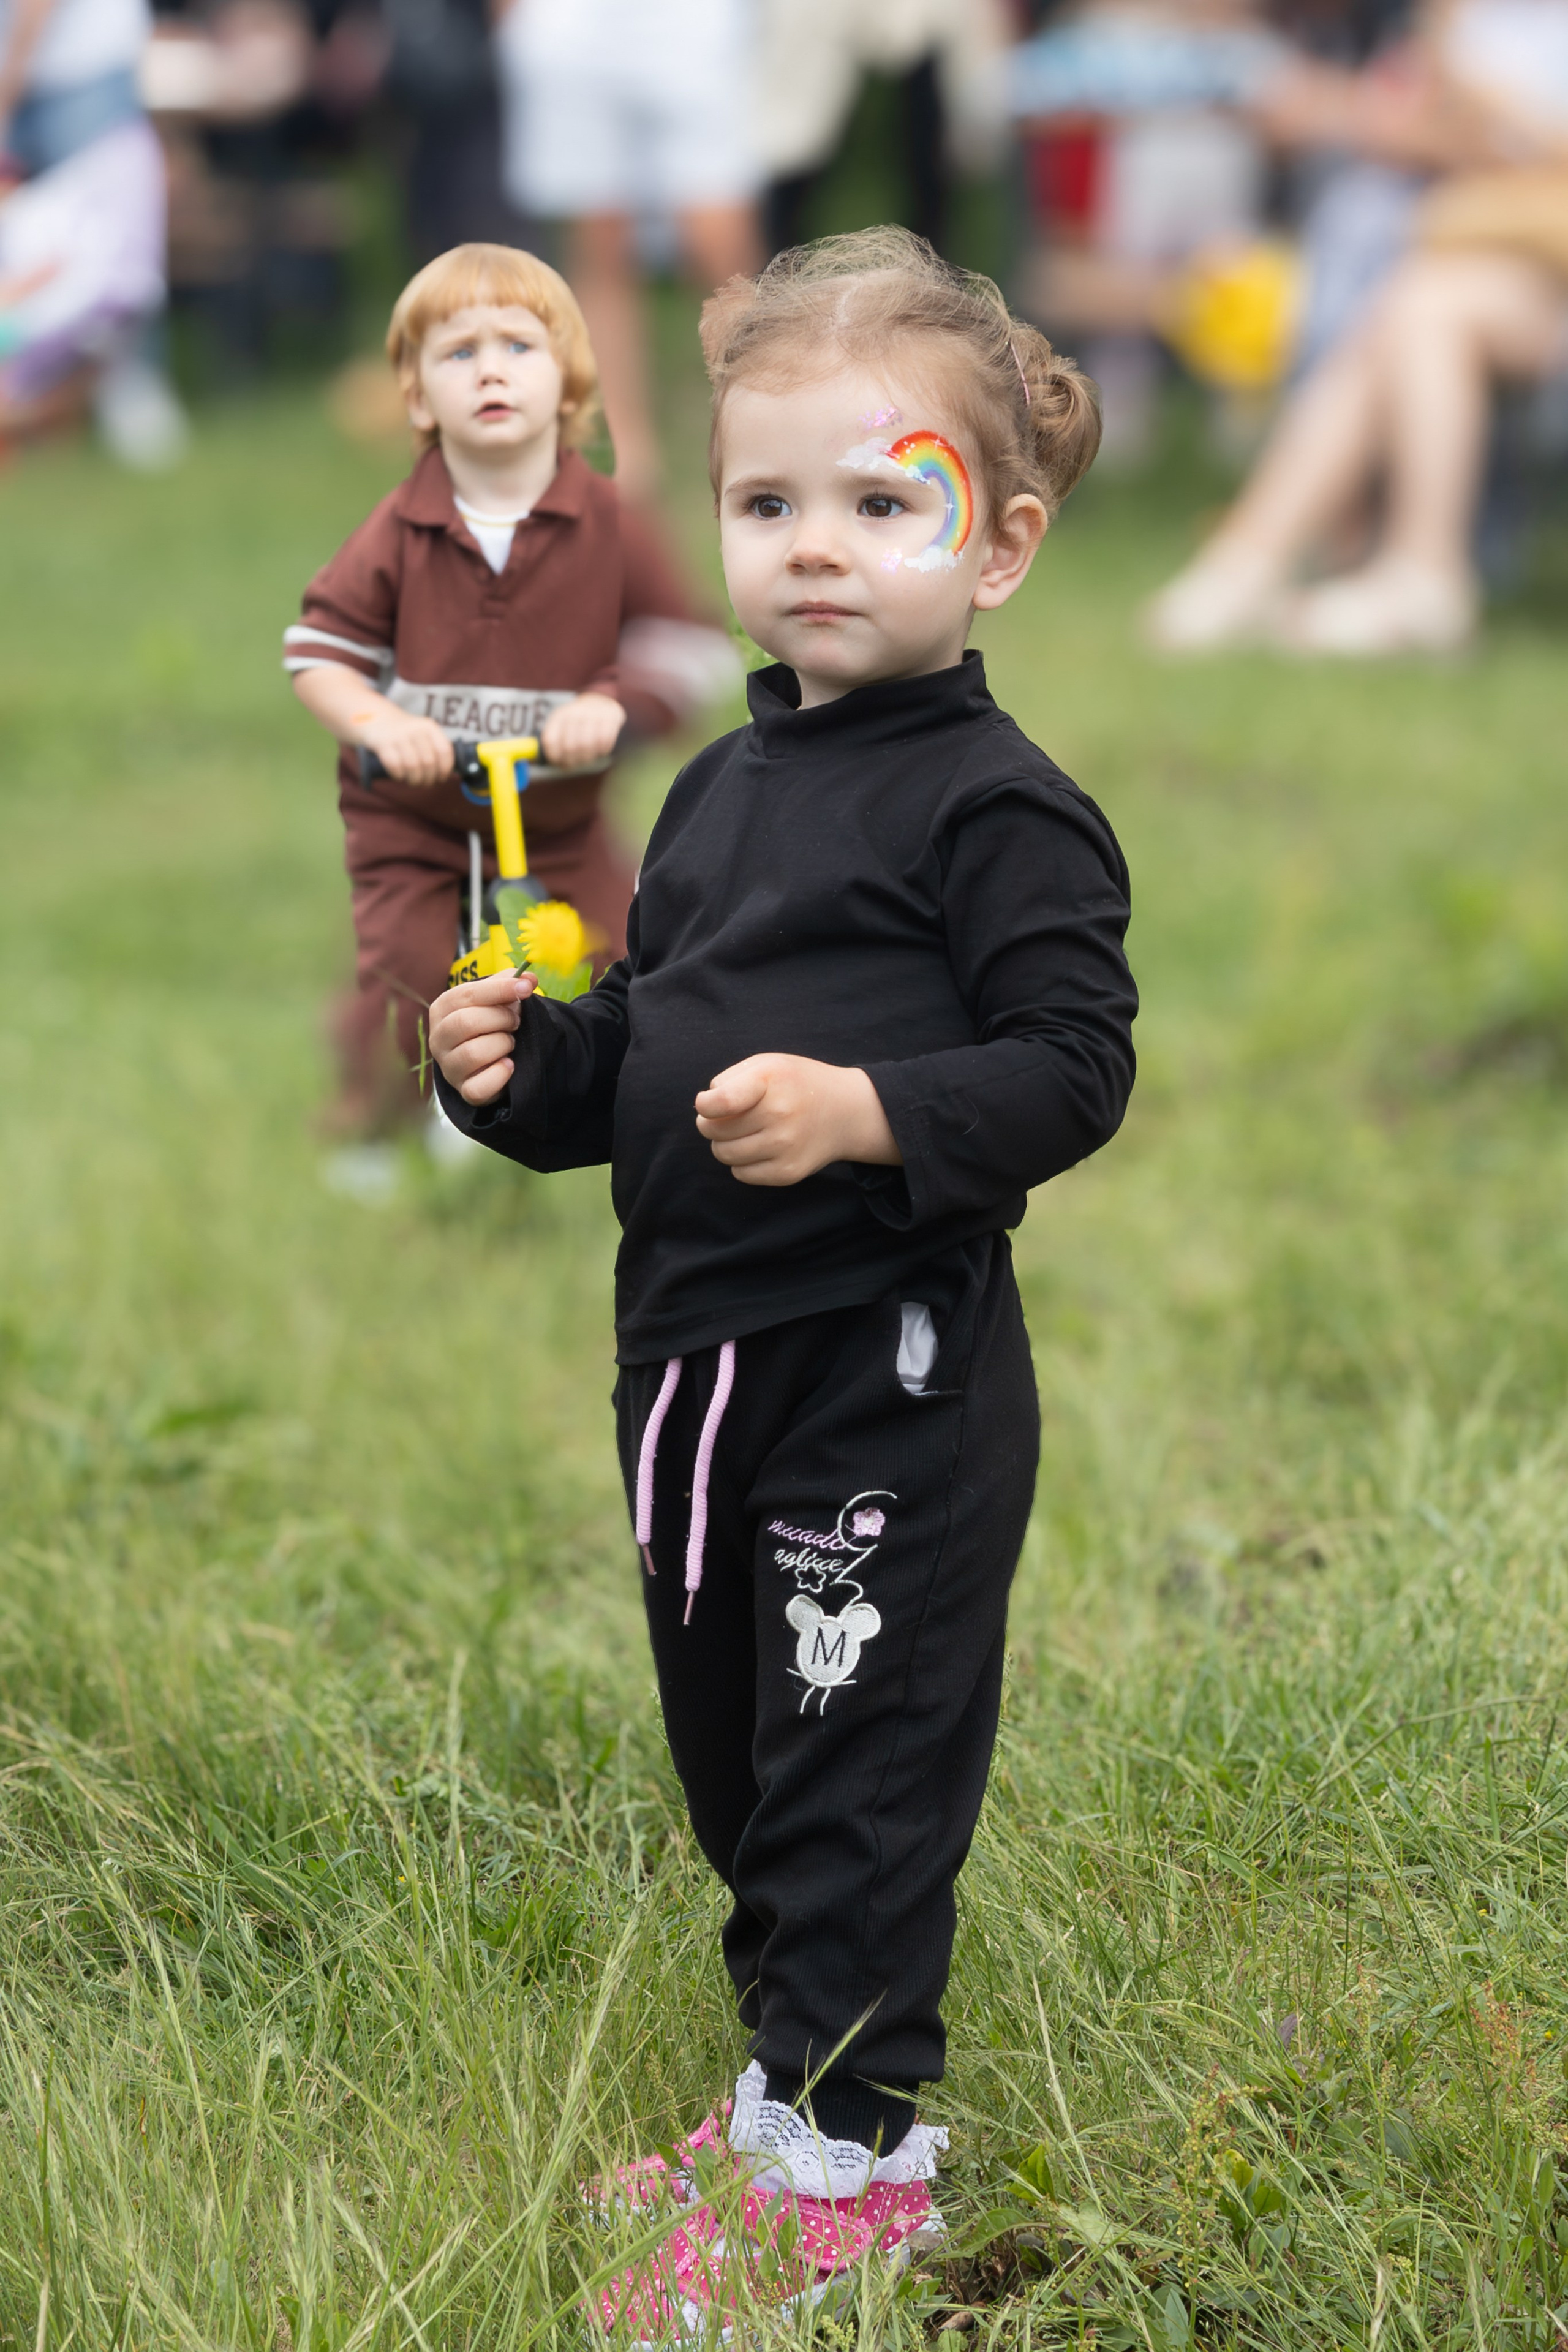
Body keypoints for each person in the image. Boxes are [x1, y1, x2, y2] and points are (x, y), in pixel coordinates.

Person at [427, 227, 1137, 2328]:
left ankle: (852, 2170)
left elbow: (1071, 1069)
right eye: (766, 504)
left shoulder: (1002, 812)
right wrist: (527, 1073)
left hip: (874, 1379)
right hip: (694, 1379)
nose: (815, 548)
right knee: (741, 1759)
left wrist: (866, 1116)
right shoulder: (725, 785)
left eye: (879, 500)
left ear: (999, 545)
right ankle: (782, 2105)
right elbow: (651, 1039)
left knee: (852, 1767)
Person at [284, 240, 736, 1157]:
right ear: (417, 396)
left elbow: (693, 646)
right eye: (459, 353)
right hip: (415, 817)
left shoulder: (611, 521)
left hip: (558, 815)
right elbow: (320, 652)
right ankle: (380, 1130)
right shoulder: (401, 530)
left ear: (569, 381)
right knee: (410, 967)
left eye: (518, 347)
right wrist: (380, 723)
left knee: (611, 952)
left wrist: (620, 703)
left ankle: (592, 1119)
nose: (490, 369)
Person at [1146, 0, 1568, 653]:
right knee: (1404, 304)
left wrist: (1478, 102)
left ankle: (1386, 570)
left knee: (1421, 304)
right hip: (1491, 255)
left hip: (1539, 265)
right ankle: (1266, 561)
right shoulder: (1466, 15)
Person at [491, 0, 761, 503]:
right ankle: (629, 461)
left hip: (688, 19)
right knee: (600, 239)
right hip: (571, 21)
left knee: (718, 239)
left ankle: (767, 431)